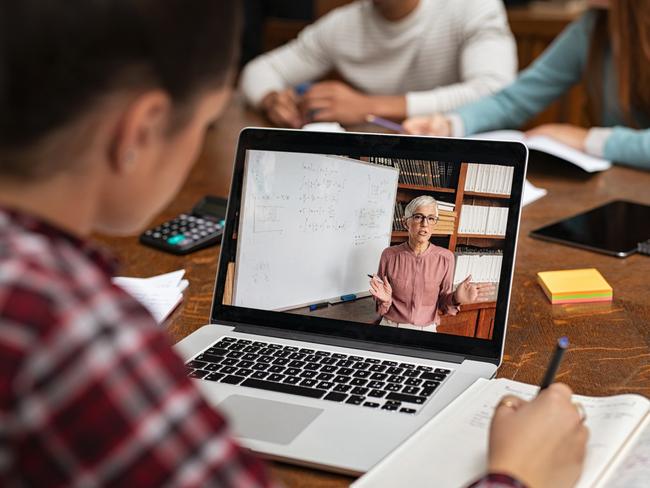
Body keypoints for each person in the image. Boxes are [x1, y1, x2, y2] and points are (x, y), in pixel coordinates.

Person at [0, 1, 586, 487]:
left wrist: (454, 296)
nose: (423, 229)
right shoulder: (75, 333)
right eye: (205, 122)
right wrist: (520, 475)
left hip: (423, 349)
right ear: (140, 133)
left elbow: (446, 307)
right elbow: (381, 309)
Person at [403, 0, 650, 170]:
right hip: (619, 188)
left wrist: (590, 139)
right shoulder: (594, 26)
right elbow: (516, 98)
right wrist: (451, 123)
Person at [239, 0, 517, 128]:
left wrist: (368, 107)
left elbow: (496, 92)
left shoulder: (473, 7)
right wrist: (271, 99)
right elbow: (259, 70)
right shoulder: (343, 24)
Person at [369, 196, 494, 331]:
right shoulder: (389, 255)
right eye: (418, 217)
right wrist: (385, 300)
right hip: (391, 325)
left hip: (427, 329)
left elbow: (443, 305)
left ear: (435, 223)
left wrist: (456, 298)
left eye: (431, 218)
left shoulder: (446, 258)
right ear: (406, 223)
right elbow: (380, 306)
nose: (425, 224)